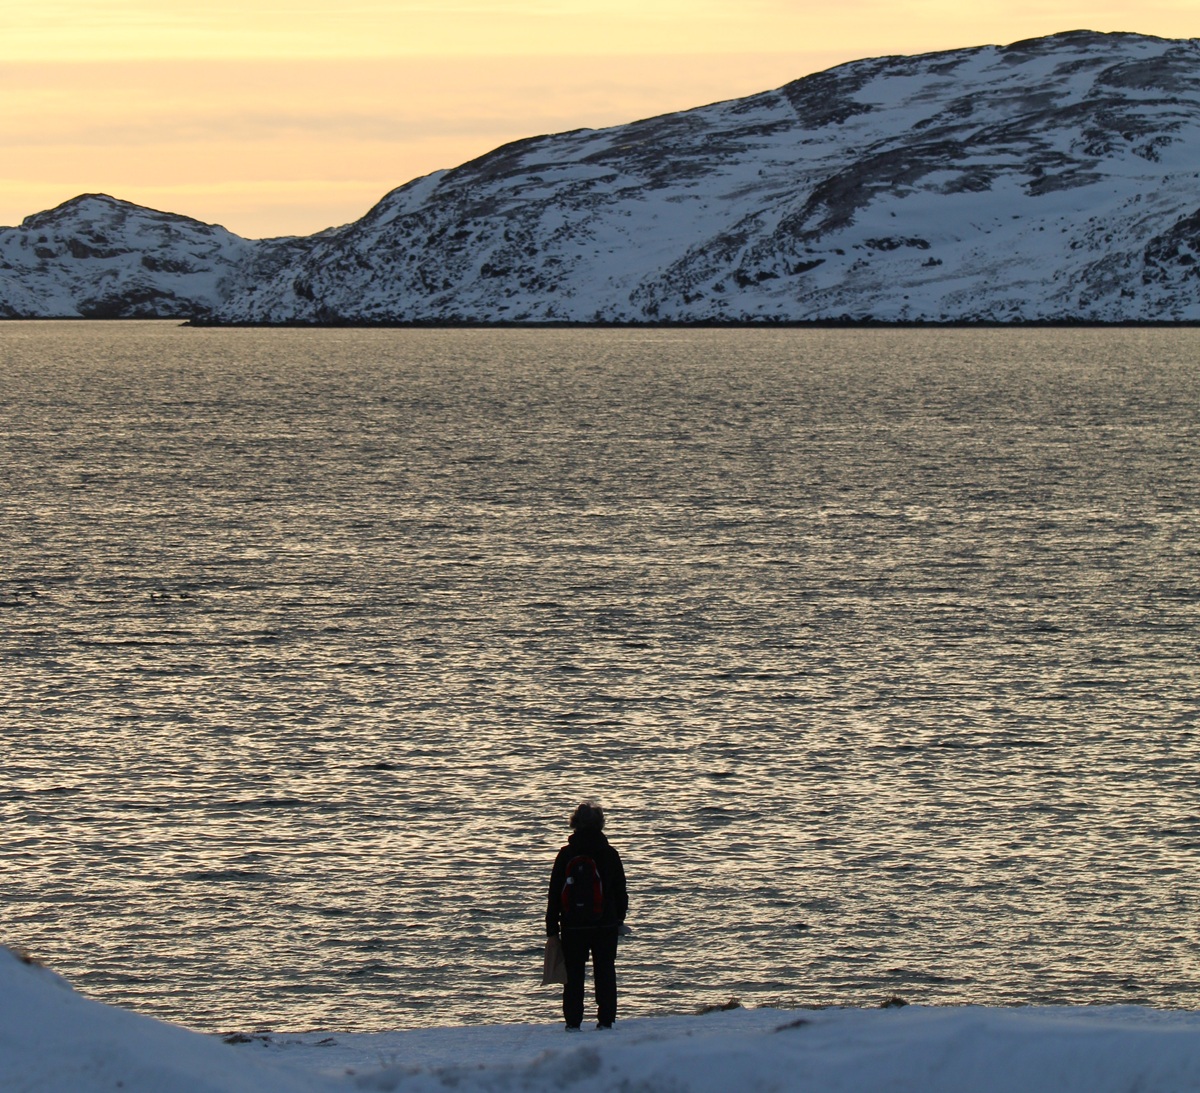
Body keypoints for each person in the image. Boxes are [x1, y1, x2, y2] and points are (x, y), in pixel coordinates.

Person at [545, 801, 628, 1030]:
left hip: (573, 926)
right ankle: (606, 1021)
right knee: (605, 971)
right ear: (601, 824)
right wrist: (618, 919)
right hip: (605, 925)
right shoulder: (609, 854)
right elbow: (621, 891)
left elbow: (554, 893)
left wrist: (552, 928)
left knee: (573, 975)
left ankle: (573, 1022)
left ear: (575, 824)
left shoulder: (566, 854)